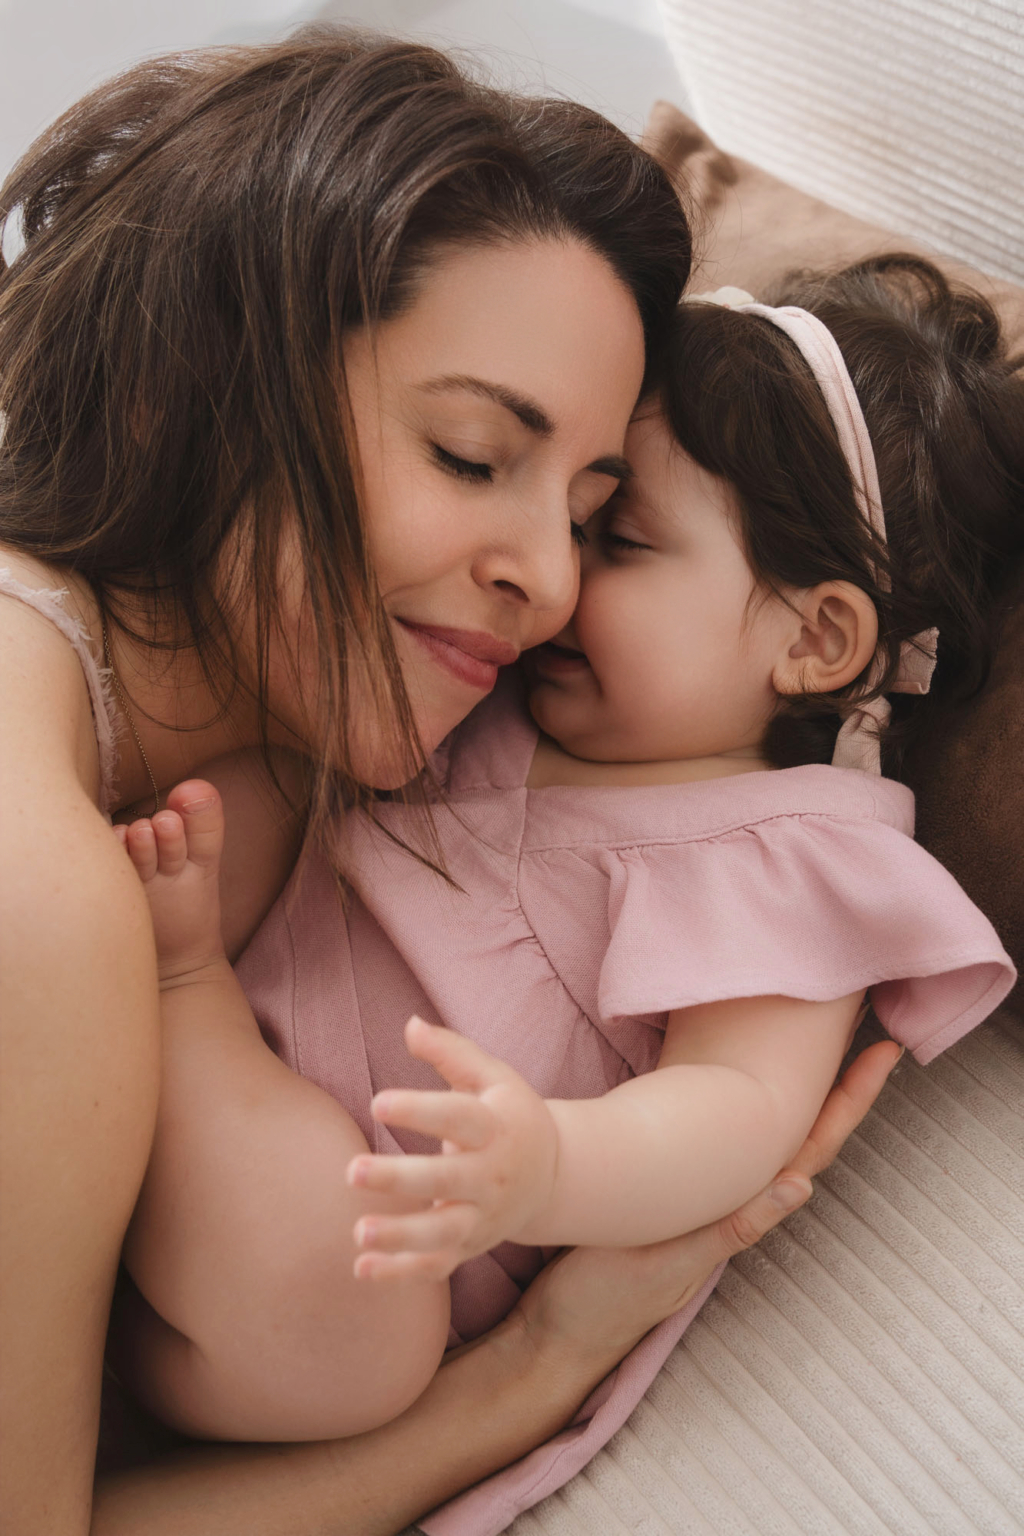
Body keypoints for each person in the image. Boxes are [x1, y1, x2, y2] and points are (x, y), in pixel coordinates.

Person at [0, 28, 898, 1536]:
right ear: (202, 381)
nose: (548, 579)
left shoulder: (267, 780)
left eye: (595, 514)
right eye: (474, 456)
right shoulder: (40, 887)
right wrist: (531, 1373)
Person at [109, 255, 1018, 1530]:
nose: (556, 571)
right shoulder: (495, 695)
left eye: (618, 539)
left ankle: (178, 993)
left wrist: (547, 1169)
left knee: (354, 1300)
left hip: (323, 1280)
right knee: (246, 790)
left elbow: (738, 1108)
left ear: (815, 639)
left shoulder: (801, 857)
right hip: (151, 1147)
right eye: (574, 518)